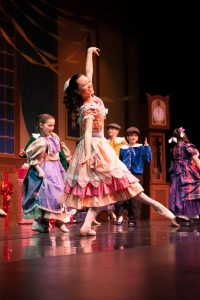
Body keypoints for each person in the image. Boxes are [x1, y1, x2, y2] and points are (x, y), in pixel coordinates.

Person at [62, 46, 179, 237]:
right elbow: (89, 132)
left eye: (88, 82)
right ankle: (163, 210)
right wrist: (90, 154)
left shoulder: (91, 95)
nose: (90, 85)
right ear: (77, 91)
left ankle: (86, 225)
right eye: (85, 85)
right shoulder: (88, 107)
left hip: (99, 146)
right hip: (95, 146)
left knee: (106, 187)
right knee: (120, 182)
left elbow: (89, 71)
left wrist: (90, 52)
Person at [22, 114, 69, 233]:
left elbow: (60, 154)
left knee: (59, 194)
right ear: (41, 125)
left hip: (56, 169)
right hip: (46, 168)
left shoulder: (54, 138)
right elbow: (32, 157)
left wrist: (64, 168)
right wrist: (39, 170)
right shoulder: (40, 141)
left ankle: (56, 221)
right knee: (46, 195)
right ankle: (42, 221)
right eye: (49, 125)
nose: (52, 128)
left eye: (53, 125)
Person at [118, 126, 152, 227]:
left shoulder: (141, 147)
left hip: (137, 174)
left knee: (135, 198)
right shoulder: (123, 148)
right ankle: (120, 215)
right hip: (125, 174)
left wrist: (147, 147)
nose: (133, 137)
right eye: (131, 135)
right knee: (122, 196)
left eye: (135, 135)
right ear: (127, 137)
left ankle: (133, 219)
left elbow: (148, 159)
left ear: (137, 137)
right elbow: (120, 161)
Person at [168, 127, 200, 223]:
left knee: (178, 191)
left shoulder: (173, 148)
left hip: (176, 171)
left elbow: (172, 162)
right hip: (186, 170)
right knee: (190, 189)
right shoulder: (188, 146)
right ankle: (191, 214)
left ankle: (180, 214)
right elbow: (196, 160)